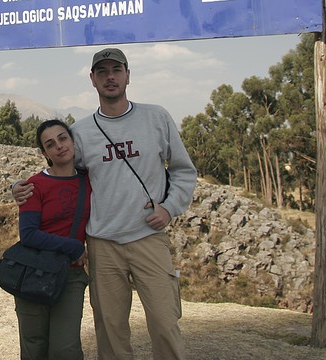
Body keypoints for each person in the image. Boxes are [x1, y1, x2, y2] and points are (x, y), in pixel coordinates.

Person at [14, 48, 197, 360]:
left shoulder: (157, 117)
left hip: (148, 238)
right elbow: (63, 174)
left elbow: (183, 170)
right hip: (102, 244)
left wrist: (169, 207)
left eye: (116, 70)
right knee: (110, 331)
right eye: (102, 72)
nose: (110, 77)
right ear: (93, 80)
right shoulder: (81, 132)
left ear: (127, 75)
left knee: (165, 323)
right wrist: (22, 187)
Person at [15, 119, 92, 360]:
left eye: (62, 138)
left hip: (71, 276)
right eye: (50, 144)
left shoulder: (90, 181)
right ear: (45, 153)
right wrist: (73, 246)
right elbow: (28, 234)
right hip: (33, 274)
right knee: (34, 347)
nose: (59, 146)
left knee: (65, 349)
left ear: (72, 140)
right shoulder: (34, 186)